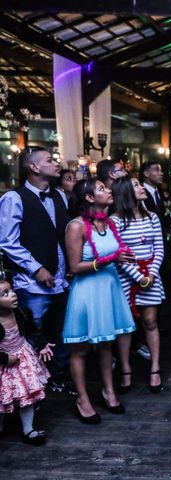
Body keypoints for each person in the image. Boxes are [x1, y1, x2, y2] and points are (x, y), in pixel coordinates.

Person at [0, 146, 74, 395]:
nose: (56, 163)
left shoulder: (60, 196)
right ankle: (30, 386)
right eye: (50, 160)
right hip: (33, 284)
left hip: (62, 280)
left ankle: (58, 377)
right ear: (33, 167)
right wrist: (37, 268)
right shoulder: (14, 198)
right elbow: (8, 241)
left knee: (63, 333)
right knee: (34, 334)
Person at [62, 179, 136, 424]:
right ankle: (82, 398)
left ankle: (109, 391)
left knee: (106, 344)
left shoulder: (110, 222)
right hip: (87, 290)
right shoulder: (76, 227)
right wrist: (111, 258)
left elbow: (114, 252)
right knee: (81, 347)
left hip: (109, 287)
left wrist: (123, 257)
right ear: (90, 198)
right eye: (102, 189)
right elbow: (74, 267)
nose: (109, 191)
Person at [111, 176, 165, 393]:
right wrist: (137, 276)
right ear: (126, 192)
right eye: (136, 185)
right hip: (126, 277)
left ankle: (155, 368)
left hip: (151, 275)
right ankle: (125, 370)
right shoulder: (114, 220)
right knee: (126, 326)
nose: (142, 187)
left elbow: (159, 248)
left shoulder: (152, 217)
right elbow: (118, 253)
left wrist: (150, 274)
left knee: (150, 321)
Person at [0, 278, 54, 445]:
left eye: (11, 290)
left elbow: (32, 330)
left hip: (23, 358)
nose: (13, 295)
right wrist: (5, 358)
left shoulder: (23, 313)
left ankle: (28, 430)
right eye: (5, 294)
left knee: (27, 395)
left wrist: (42, 345)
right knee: (2, 399)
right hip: (3, 363)